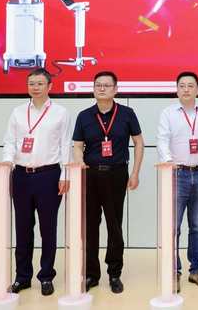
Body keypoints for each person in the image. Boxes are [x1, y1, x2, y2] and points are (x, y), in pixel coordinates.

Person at [72, 71, 144, 294]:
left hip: (116, 175)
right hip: (91, 175)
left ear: (116, 89)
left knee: (114, 225)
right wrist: (80, 163)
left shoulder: (127, 114)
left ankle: (114, 273)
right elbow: (77, 146)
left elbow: (139, 143)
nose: (101, 89)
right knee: (90, 225)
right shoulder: (84, 116)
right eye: (98, 85)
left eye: (106, 85)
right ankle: (92, 274)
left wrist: (135, 173)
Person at [3, 68, 72, 296]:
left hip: (49, 176)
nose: (35, 87)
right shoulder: (17, 112)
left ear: (50, 86)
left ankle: (46, 276)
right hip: (21, 176)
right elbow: (10, 142)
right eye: (31, 83)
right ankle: (22, 277)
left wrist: (65, 174)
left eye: (40, 83)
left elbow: (65, 145)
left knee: (48, 228)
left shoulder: (61, 113)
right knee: (22, 228)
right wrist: (7, 164)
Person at [157, 71, 198, 289]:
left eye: (190, 86)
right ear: (177, 89)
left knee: (197, 226)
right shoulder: (168, 113)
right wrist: (168, 162)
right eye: (182, 86)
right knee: (173, 227)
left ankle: (196, 270)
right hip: (177, 174)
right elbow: (162, 140)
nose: (186, 89)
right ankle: (174, 271)